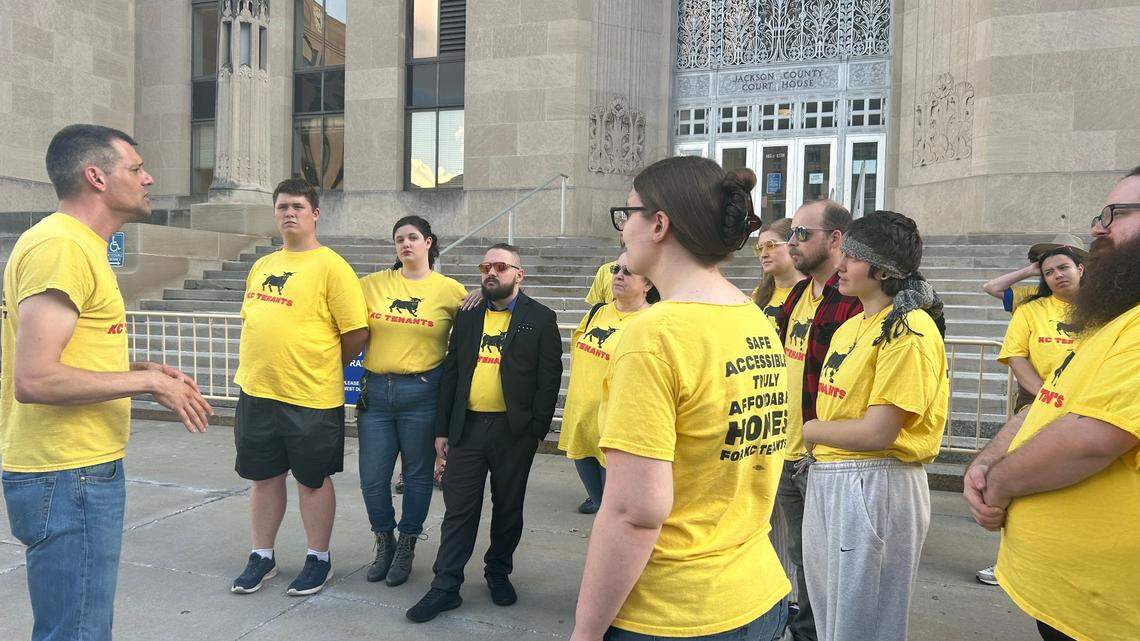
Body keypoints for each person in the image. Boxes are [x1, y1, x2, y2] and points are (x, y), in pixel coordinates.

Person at [1, 124, 212, 641]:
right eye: (136, 168)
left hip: (71, 469)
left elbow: (63, 353)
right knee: (77, 632)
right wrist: (147, 387)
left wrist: (137, 370)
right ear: (96, 176)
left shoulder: (75, 245)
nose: (149, 178)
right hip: (66, 473)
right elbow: (34, 378)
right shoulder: (62, 247)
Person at [570, 158, 789, 641]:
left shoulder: (655, 334)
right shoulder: (753, 317)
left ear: (660, 224)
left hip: (674, 613)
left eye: (627, 214)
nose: (622, 230)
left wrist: (584, 632)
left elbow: (634, 512)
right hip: (758, 594)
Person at [964, 167, 1140, 641]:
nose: (1097, 228)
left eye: (1116, 214)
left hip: (1111, 614)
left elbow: (1089, 438)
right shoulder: (1112, 319)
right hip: (1073, 604)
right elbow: (1048, 403)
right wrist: (987, 459)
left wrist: (997, 484)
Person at [800, 210, 949, 641]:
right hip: (831, 476)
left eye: (853, 257)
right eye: (842, 254)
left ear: (883, 269)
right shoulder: (852, 325)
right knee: (832, 619)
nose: (841, 265)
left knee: (862, 625)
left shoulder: (909, 330)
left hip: (875, 481)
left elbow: (877, 432)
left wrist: (808, 431)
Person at [406, 243, 562, 622]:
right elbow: (453, 371)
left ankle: (498, 573)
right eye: (486, 266)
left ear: (518, 275)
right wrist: (443, 427)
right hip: (469, 429)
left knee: (508, 507)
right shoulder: (470, 315)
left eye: (501, 267)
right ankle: (445, 586)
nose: (491, 273)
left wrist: (535, 430)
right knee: (459, 510)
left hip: (514, 433)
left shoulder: (540, 318)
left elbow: (549, 378)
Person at [229, 178, 369, 597]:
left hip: (310, 396)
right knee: (263, 477)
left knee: (312, 480)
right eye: (282, 207)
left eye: (297, 207)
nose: (289, 213)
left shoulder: (332, 267)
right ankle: (262, 555)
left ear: (315, 214)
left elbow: (356, 332)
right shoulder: (263, 266)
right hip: (257, 390)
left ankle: (318, 559)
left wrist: (323, 364)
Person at [356, 215, 466, 586]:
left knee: (418, 476)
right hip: (376, 393)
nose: (406, 244)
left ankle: (407, 542)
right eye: (400, 239)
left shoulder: (449, 290)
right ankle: (383, 539)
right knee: (373, 477)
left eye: (413, 238)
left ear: (429, 242)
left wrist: (484, 292)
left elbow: (480, 320)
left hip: (423, 394)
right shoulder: (372, 285)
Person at [773, 199, 862, 641]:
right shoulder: (797, 294)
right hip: (788, 451)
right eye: (791, 233)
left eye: (802, 234)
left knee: (833, 559)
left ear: (836, 239)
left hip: (824, 457)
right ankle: (806, 631)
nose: (792, 243)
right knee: (802, 554)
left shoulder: (852, 301)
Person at [559, 251, 658, 515]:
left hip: (616, 425)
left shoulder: (652, 322)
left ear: (648, 283)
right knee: (600, 503)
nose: (618, 276)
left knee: (614, 512)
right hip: (583, 418)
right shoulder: (597, 312)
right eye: (616, 269)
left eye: (628, 271)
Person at [982, 234, 1086, 313]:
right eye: (1050, 270)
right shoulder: (1033, 295)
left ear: (1080, 268)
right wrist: (1030, 270)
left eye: (1064, 267)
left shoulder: (1095, 298)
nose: (1059, 274)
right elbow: (991, 287)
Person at [752, 218, 804, 326]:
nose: (763, 254)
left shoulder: (813, 293)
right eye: (760, 248)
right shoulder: (758, 295)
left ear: (793, 244)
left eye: (770, 245)